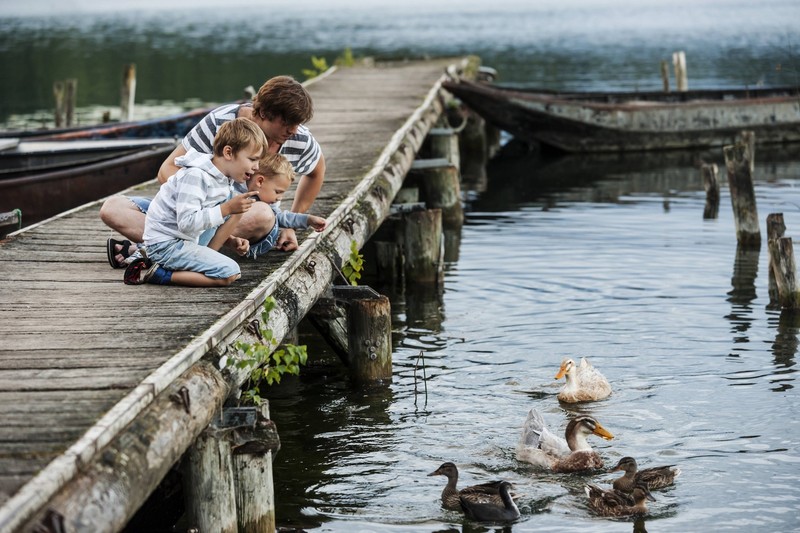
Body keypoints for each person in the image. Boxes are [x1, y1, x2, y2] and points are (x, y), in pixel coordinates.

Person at [103, 75, 325, 267]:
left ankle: (151, 251)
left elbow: (317, 171)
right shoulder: (221, 123)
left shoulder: (298, 138)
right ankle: (168, 252)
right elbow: (167, 170)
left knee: (262, 214)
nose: (294, 130)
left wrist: (289, 226)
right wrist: (206, 201)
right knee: (112, 208)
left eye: (298, 123)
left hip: (241, 219)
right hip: (197, 213)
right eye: (287, 121)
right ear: (264, 112)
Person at [123, 118, 266, 286]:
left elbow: (206, 219)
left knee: (232, 201)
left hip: (185, 239)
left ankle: (192, 259)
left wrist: (230, 240)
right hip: (167, 245)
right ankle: (160, 274)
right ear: (228, 153)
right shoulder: (196, 176)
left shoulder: (222, 179)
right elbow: (186, 223)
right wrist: (226, 209)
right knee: (229, 273)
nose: (257, 167)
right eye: (252, 159)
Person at [242, 152, 327, 260]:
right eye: (277, 192)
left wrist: (308, 219)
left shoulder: (268, 205)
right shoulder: (236, 193)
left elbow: (282, 217)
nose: (280, 198)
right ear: (260, 181)